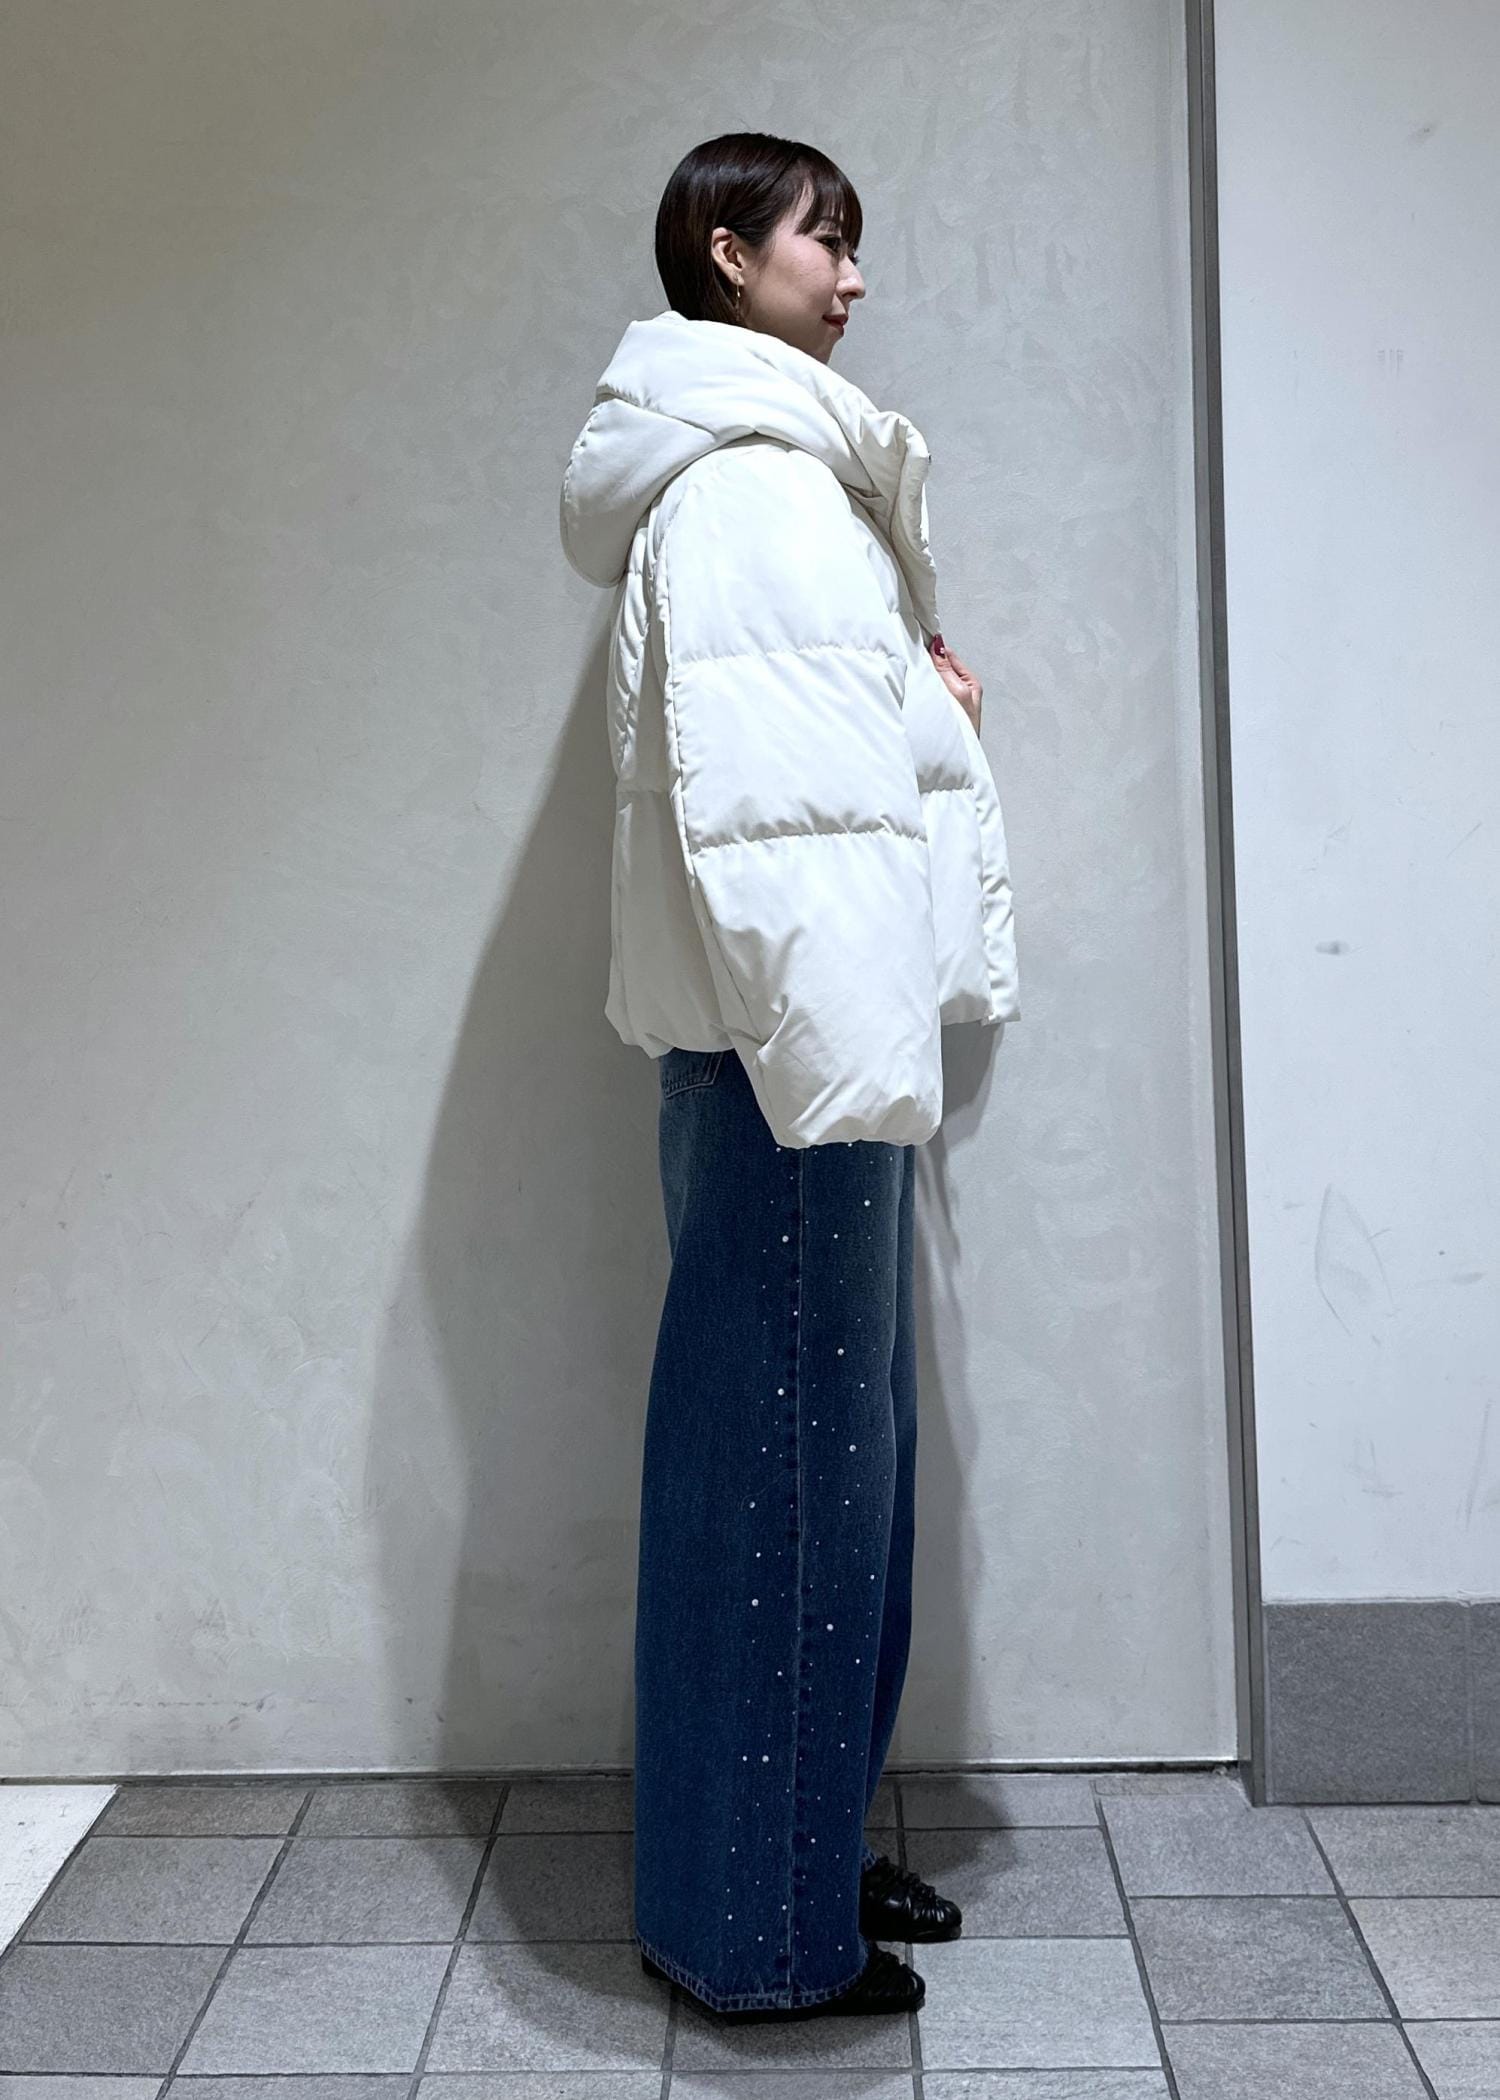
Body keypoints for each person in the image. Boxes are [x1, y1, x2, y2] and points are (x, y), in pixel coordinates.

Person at [559, 131, 1020, 2023]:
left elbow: (802, 764)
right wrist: (839, 1073)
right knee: (785, 1486)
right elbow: (771, 830)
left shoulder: (767, 477)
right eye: (825, 239)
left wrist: (924, 700)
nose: (853, 276)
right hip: (793, 1063)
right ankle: (757, 1931)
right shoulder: (754, 485)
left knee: (818, 1477)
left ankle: (794, 1854)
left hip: (786, 1056)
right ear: (727, 254)